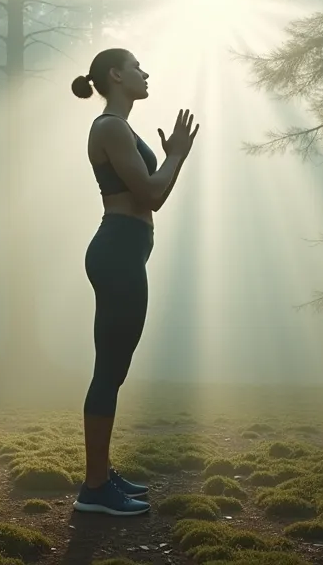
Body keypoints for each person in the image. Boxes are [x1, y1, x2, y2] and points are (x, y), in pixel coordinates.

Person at [69, 48, 199, 516]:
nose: (146, 72)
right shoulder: (108, 127)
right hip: (118, 250)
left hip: (125, 250)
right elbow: (151, 194)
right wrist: (177, 157)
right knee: (109, 370)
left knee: (115, 370)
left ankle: (101, 476)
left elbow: (145, 191)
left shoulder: (120, 127)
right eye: (138, 66)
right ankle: (94, 490)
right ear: (115, 74)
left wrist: (167, 158)